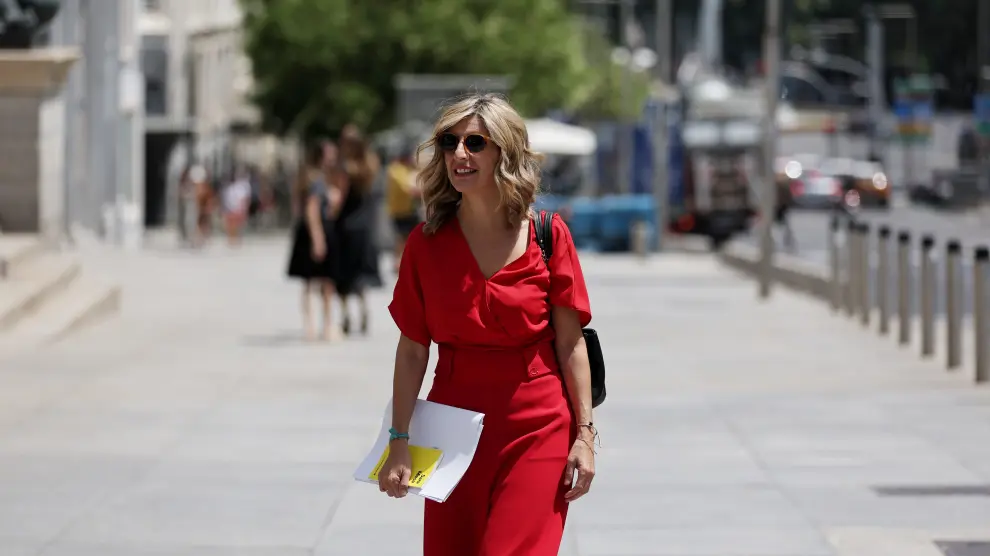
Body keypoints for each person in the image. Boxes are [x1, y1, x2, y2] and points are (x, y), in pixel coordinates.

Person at [378, 93, 598, 556]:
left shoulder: (547, 235)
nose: (460, 153)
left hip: (537, 424)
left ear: (504, 152)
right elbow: (413, 349)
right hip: (451, 427)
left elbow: (571, 343)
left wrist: (584, 436)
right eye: (449, 142)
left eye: (475, 142)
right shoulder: (425, 244)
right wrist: (399, 440)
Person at [286, 141, 341, 341]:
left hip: (305, 231)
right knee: (326, 282)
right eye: (330, 155)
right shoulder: (317, 180)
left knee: (308, 282)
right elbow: (312, 209)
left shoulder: (305, 177)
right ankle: (326, 326)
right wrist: (318, 239)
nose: (333, 159)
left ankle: (309, 327)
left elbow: (298, 208)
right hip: (318, 230)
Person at [334, 124, 383, 336]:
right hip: (364, 224)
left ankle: (346, 314)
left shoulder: (344, 167)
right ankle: (363, 310)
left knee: (343, 273)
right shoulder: (370, 164)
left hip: (345, 223)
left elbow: (338, 197)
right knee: (359, 273)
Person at [385, 146, 422, 272]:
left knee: (408, 236)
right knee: (402, 237)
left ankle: (404, 260)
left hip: (408, 209)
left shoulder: (406, 169)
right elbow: (408, 188)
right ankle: (398, 262)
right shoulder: (396, 170)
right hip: (400, 211)